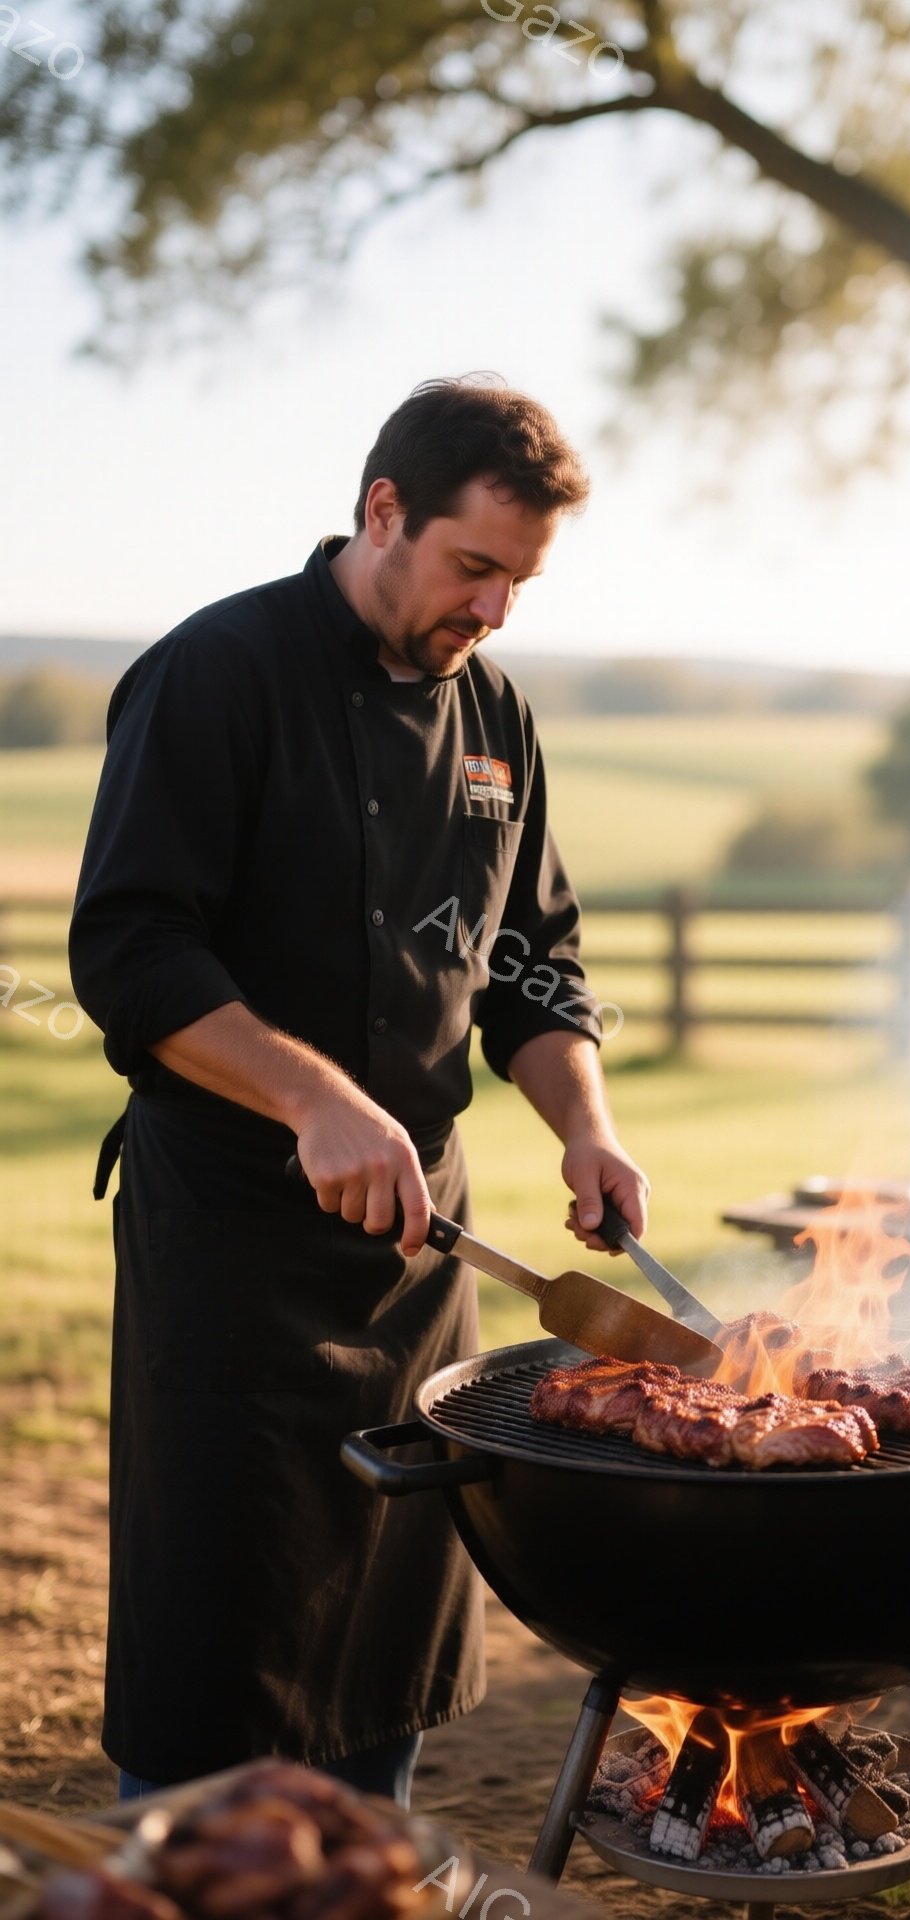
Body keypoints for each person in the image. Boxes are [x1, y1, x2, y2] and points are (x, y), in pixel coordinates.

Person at [68, 376, 650, 1808]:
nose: (495, 611)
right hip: (230, 1237)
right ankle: (189, 1865)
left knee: (389, 1603)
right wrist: (313, 1099)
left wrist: (587, 1125)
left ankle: (360, 1861)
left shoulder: (498, 717)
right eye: (474, 568)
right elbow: (131, 948)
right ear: (383, 510)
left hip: (419, 1256)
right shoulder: (217, 673)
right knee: (219, 1612)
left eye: (519, 581)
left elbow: (535, 969)